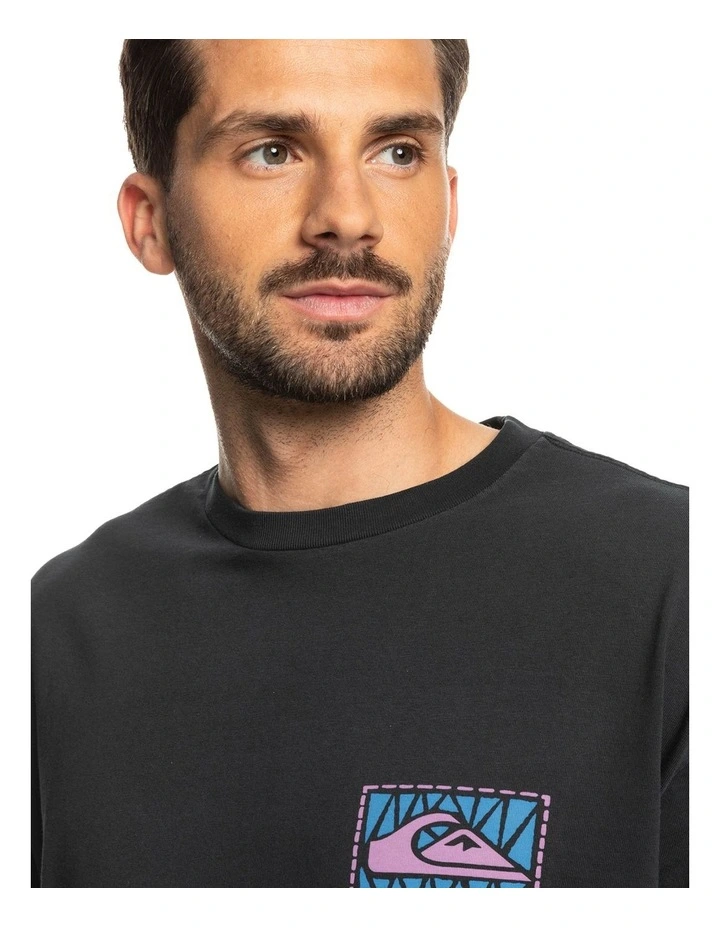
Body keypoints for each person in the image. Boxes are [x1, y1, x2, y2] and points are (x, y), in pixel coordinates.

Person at [31, 39, 688, 889]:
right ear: (149, 221)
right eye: (272, 151)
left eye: (398, 152)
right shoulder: (56, 634)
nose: (347, 215)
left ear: (448, 203)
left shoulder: (675, 583)